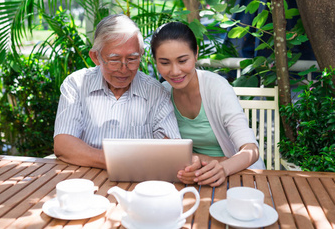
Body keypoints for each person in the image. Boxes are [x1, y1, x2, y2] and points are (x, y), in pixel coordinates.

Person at [54, 14, 180, 169]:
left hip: (138, 182)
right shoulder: (77, 85)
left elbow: (172, 148)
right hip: (85, 179)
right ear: (96, 57)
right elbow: (63, 145)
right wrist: (117, 162)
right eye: (114, 60)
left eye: (132, 59)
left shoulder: (156, 92)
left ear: (141, 55)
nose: (124, 68)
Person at [151, 22, 264, 187]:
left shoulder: (217, 87)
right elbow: (166, 151)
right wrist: (206, 160)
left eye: (182, 60)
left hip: (238, 176)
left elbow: (251, 150)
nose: (175, 71)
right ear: (155, 61)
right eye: (165, 63)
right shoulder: (162, 94)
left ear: (196, 53)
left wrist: (223, 167)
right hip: (192, 178)